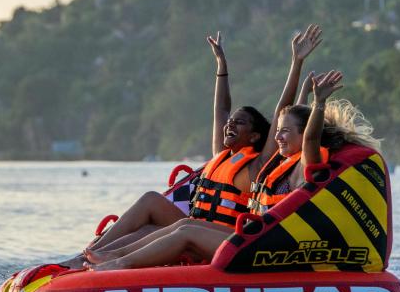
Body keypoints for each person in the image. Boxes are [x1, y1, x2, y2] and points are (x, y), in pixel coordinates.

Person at [63, 24, 322, 270]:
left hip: (220, 237)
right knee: (149, 216)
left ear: (255, 136)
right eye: (230, 122)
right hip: (197, 226)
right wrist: (221, 66)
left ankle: (112, 263)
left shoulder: (257, 163)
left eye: (239, 123)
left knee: (179, 226)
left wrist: (296, 63)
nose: (229, 125)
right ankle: (88, 256)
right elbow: (221, 109)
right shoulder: (222, 155)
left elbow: (281, 113)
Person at [88, 69, 379, 271]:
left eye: (285, 133)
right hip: (254, 237)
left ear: (303, 137)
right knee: (184, 225)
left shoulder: (307, 164)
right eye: (277, 131)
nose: (278, 137)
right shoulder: (278, 160)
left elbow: (310, 134)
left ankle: (119, 264)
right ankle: (113, 255)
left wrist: (318, 103)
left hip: (264, 246)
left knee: (185, 232)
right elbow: (280, 112)